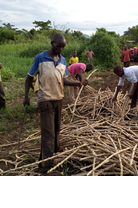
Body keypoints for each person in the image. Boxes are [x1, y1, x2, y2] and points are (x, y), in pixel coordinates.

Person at [23, 33, 88, 174]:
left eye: (63, 47)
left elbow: (64, 80)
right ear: (52, 43)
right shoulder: (40, 58)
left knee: (57, 128)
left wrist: (79, 83)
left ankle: (55, 147)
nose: (60, 49)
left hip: (59, 99)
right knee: (48, 133)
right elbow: (29, 78)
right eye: (58, 46)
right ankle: (46, 166)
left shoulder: (63, 60)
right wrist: (26, 96)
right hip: (45, 100)